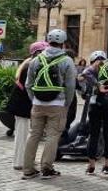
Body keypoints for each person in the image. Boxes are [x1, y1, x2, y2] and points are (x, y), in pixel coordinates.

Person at [22, 29, 76, 180]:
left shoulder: (36, 60)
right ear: (63, 43)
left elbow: (28, 84)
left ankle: (28, 169)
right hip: (57, 104)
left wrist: (33, 99)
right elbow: (71, 86)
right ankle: (46, 168)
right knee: (52, 136)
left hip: (37, 103)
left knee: (34, 135)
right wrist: (67, 103)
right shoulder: (67, 61)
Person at [6, 41, 48, 170]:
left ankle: (24, 160)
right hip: (22, 106)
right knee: (22, 135)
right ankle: (19, 162)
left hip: (23, 105)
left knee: (25, 134)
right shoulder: (31, 65)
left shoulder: (29, 63)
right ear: (37, 52)